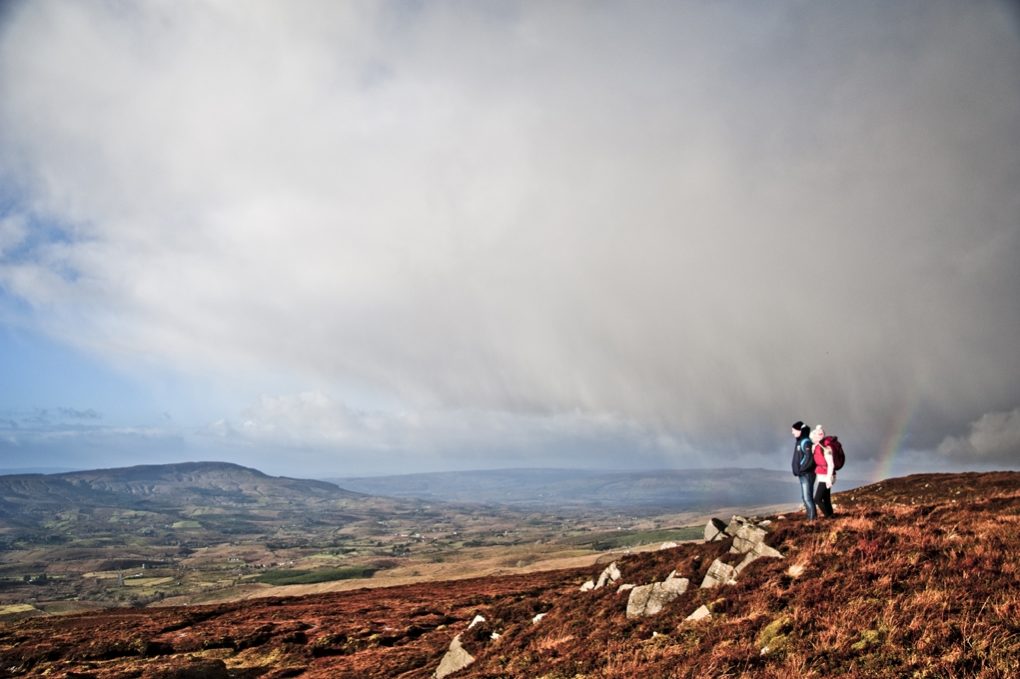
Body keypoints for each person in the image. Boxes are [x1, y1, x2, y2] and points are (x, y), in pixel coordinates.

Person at [790, 421, 816, 519]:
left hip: (807, 474)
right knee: (806, 498)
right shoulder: (800, 441)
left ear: (800, 430)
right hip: (803, 474)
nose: (792, 432)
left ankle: (812, 520)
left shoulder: (805, 441)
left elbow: (809, 457)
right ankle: (810, 518)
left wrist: (801, 469)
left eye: (794, 430)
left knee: (807, 498)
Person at [810, 425, 836, 518]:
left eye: (814, 436)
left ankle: (828, 517)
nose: (812, 438)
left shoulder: (825, 448)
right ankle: (831, 516)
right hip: (822, 476)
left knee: (817, 499)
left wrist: (829, 478)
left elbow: (831, 464)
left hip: (827, 476)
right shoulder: (817, 447)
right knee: (826, 498)